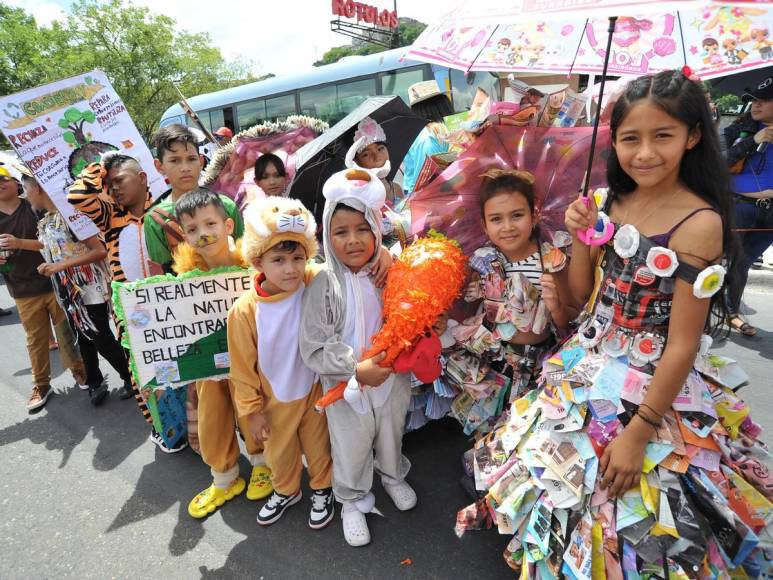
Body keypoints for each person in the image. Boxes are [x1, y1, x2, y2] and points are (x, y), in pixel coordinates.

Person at [470, 70, 770, 575]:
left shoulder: (701, 222)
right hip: (586, 364)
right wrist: (582, 237)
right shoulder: (610, 200)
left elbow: (682, 345)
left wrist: (638, 432)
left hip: (654, 386)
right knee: (565, 493)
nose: (645, 153)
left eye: (663, 136)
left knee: (640, 517)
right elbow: (585, 296)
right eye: (631, 138)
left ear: (694, 136)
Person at [300, 169, 415, 548]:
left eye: (362, 229)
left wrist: (387, 255)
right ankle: (350, 500)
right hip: (344, 385)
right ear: (326, 237)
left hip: (391, 377)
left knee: (390, 431)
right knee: (349, 444)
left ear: (375, 229)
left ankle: (392, 474)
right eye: (340, 232)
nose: (352, 241)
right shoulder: (322, 283)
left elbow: (409, 314)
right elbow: (314, 345)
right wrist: (355, 368)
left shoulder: (388, 271)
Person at [229, 195, 334, 529]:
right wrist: (252, 410)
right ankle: (286, 489)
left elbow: (345, 271)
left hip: (314, 388)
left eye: (297, 257)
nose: (290, 268)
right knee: (279, 453)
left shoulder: (312, 281)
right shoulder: (245, 311)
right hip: (274, 399)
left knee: (320, 447)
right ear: (258, 261)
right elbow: (241, 368)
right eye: (279, 259)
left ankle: (323, 487)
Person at [171, 190, 273, 518]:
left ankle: (262, 463)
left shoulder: (253, 265)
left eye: (210, 223)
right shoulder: (185, 278)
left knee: (252, 408)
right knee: (211, 416)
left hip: (250, 361)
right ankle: (224, 476)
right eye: (192, 228)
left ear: (228, 224)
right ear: (183, 234)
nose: (203, 234)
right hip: (208, 363)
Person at [449, 169, 572, 437]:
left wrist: (556, 307)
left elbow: (566, 326)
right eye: (496, 219)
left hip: (540, 362)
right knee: (489, 429)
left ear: (535, 215)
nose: (507, 226)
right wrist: (474, 290)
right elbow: (467, 309)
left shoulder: (551, 260)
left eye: (517, 215)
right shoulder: (482, 260)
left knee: (529, 432)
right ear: (484, 225)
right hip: (495, 363)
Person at [23, 170, 132, 406]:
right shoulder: (48, 218)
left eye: (27, 189)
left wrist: (60, 265)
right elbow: (50, 245)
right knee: (82, 336)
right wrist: (19, 243)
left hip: (88, 287)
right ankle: (94, 381)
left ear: (38, 189)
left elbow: (99, 250)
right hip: (69, 291)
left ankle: (130, 377)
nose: (25, 195)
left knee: (100, 336)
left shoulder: (72, 215)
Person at [0, 155, 86, 411]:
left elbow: (54, 240)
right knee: (36, 340)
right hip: (21, 288)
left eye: (4, 177)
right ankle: (41, 384)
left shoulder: (36, 204)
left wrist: (19, 243)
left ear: (17, 183)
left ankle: (81, 372)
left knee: (68, 333)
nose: (1, 183)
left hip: (55, 282)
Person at [144, 124, 244, 274]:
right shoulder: (155, 219)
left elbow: (246, 255)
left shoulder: (226, 205)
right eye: (175, 160)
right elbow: (163, 278)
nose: (185, 167)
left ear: (201, 161)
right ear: (159, 166)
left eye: (191, 159)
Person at [723, 75, 773, 336]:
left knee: (744, 262)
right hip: (739, 207)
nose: (756, 104)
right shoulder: (738, 130)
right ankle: (729, 313)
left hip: (770, 215)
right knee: (731, 259)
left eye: (765, 100)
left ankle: (728, 311)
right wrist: (753, 140)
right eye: (754, 99)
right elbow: (717, 163)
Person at [402, 81, 452, 196]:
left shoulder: (425, 135)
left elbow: (426, 176)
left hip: (423, 197)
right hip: (445, 192)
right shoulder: (452, 129)